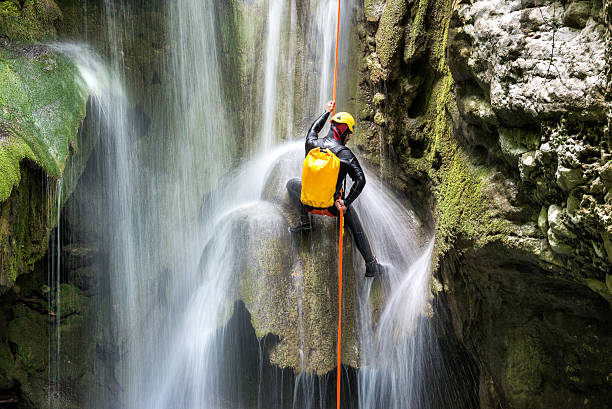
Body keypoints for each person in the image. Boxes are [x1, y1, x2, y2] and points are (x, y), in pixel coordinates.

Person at [286, 100, 384, 277]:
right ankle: (371, 264)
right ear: (343, 129)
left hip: (308, 204)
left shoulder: (311, 144)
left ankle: (305, 222)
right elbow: (360, 180)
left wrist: (326, 113)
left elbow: (313, 130)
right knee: (353, 218)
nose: (348, 138)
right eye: (349, 133)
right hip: (332, 208)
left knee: (291, 184)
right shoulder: (344, 154)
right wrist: (345, 202)